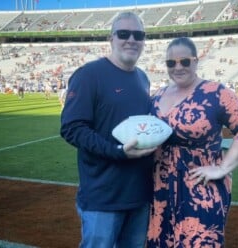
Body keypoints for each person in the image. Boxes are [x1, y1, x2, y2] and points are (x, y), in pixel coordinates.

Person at [146, 37, 238, 247]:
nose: (178, 67)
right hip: (161, 188)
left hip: (200, 187)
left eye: (185, 61)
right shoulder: (158, 96)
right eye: (171, 63)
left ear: (196, 61)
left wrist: (222, 168)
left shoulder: (215, 93)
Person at [60, 12, 156, 248]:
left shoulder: (143, 78)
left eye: (139, 35)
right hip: (102, 197)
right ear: (111, 38)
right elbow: (72, 127)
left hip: (139, 195)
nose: (131, 40)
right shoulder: (89, 74)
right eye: (124, 33)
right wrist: (118, 151)